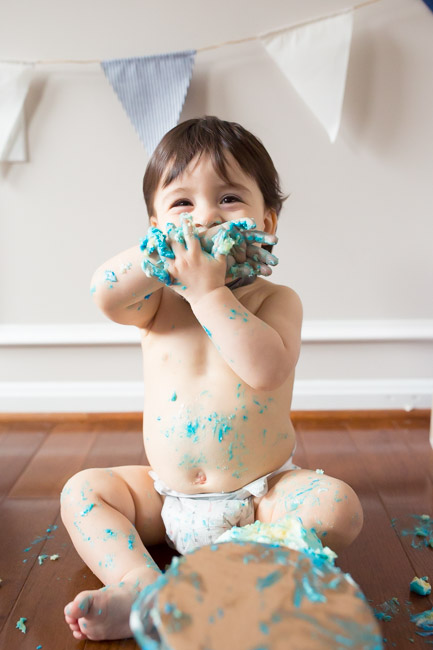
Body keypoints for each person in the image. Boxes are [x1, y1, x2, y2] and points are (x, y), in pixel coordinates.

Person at [61, 116, 363, 641]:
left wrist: (209, 294)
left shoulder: (275, 300)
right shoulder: (153, 304)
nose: (203, 217)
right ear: (155, 226)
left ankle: (235, 572)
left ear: (267, 223)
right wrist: (163, 252)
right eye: (182, 204)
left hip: (259, 499)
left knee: (336, 504)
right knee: (83, 491)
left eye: (228, 199)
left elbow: (266, 371)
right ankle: (140, 583)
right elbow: (103, 292)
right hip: (166, 497)